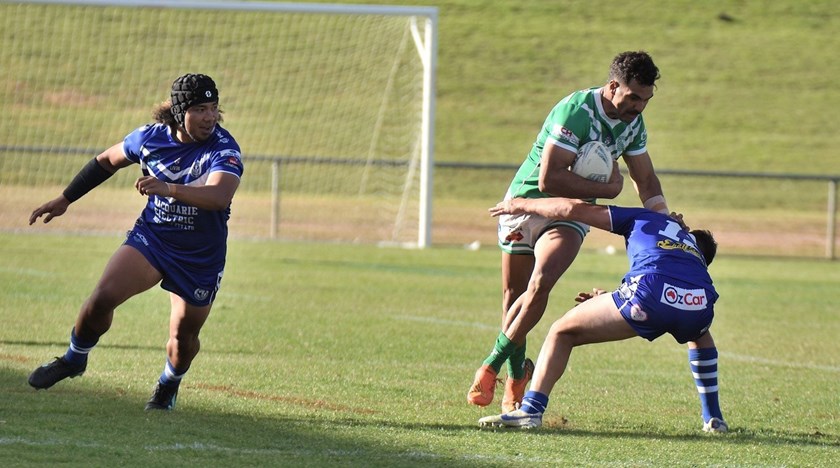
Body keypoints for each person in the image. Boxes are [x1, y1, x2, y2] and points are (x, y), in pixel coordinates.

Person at [467, 51, 672, 413]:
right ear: (613, 86)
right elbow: (549, 179)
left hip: (570, 215)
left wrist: (664, 221)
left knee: (541, 282)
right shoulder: (576, 111)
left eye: (646, 100)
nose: (639, 107)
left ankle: (491, 365)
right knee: (513, 296)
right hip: (525, 203)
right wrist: (609, 190)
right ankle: (517, 375)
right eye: (633, 97)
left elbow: (645, 179)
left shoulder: (633, 125)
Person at [27, 73, 244, 411]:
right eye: (200, 109)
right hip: (154, 239)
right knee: (101, 299)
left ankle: (168, 384)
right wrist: (66, 198)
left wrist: (168, 188)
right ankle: (74, 358)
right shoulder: (149, 139)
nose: (210, 117)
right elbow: (105, 161)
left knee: (183, 339)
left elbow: (219, 196)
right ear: (179, 112)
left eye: (213, 108)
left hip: (200, 255)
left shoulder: (224, 147)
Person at [477, 196, 727, 433]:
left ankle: (531, 410)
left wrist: (522, 204)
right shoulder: (694, 255)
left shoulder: (645, 218)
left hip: (648, 295)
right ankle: (713, 417)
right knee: (700, 335)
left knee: (562, 332)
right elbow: (671, 280)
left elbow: (572, 209)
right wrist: (607, 300)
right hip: (700, 302)